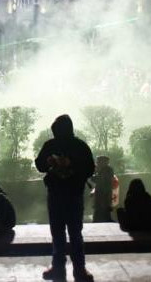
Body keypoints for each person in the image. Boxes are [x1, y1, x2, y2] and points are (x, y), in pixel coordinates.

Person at [35, 114, 95, 282]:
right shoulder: (75, 146)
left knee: (72, 233)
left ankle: (73, 268)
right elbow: (40, 165)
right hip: (59, 194)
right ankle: (70, 268)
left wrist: (70, 163)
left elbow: (89, 168)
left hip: (71, 195)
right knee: (62, 232)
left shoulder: (77, 146)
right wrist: (49, 162)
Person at [91, 156, 114, 223]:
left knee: (102, 208)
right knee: (101, 208)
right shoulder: (106, 169)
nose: (97, 163)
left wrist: (94, 175)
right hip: (103, 192)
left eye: (98, 162)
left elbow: (99, 180)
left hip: (104, 192)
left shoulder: (106, 170)